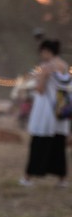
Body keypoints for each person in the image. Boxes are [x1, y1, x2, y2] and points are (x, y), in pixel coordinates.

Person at [20, 39, 71, 187]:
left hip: (45, 111)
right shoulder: (64, 65)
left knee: (38, 144)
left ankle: (28, 178)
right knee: (58, 146)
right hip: (60, 112)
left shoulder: (46, 67)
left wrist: (39, 79)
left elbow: (40, 89)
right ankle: (62, 179)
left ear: (47, 51)